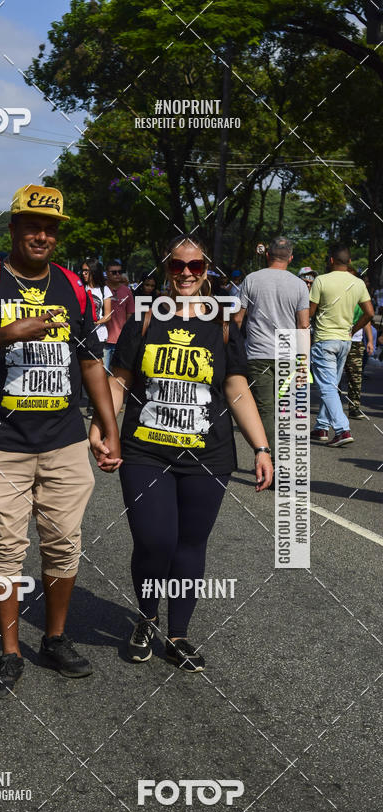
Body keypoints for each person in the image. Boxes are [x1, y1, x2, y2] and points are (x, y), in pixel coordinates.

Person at [0, 184, 120, 700]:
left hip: (64, 439)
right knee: (5, 549)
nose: (42, 235)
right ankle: (10, 651)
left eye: (51, 228)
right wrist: (6, 334)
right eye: (32, 226)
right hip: (0, 442)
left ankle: (57, 639)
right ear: (14, 228)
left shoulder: (72, 286)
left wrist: (107, 427)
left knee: (64, 543)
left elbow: (90, 361)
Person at [89, 235, 273, 671]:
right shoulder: (146, 316)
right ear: (166, 268)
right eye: (177, 266)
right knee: (155, 540)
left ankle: (179, 634)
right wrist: (101, 426)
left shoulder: (224, 322)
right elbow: (119, 381)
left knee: (191, 544)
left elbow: (236, 389)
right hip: (145, 450)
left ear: (207, 269)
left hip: (208, 455)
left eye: (195, 266)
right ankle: (148, 617)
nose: (186, 273)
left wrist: (261, 447)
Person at [233, 236, 310, 467]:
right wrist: (303, 363)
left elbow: (238, 319)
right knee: (284, 409)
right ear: (291, 257)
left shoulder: (251, 280)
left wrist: (232, 350)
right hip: (288, 354)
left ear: (268, 254)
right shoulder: (299, 284)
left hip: (258, 354)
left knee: (266, 409)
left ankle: (273, 461)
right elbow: (303, 325)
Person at [309, 244, 374, 446]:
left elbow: (309, 313)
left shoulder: (321, 280)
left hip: (324, 340)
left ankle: (342, 430)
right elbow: (370, 313)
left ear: (330, 261)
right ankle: (321, 427)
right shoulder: (358, 283)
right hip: (345, 341)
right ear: (350, 262)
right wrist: (354, 330)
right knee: (332, 385)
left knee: (327, 387)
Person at [81, 257, 112, 415]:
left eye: (87, 271)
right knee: (79, 370)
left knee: (98, 371)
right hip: (81, 336)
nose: (84, 273)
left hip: (98, 336)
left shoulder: (103, 290)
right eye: (83, 270)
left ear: (94, 272)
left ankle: (95, 406)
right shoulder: (80, 287)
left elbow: (108, 315)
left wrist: (95, 322)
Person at [344, 302, 374, 419]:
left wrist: (370, 340)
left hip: (356, 342)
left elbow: (366, 318)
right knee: (334, 376)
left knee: (355, 377)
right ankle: (332, 408)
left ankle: (354, 408)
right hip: (338, 339)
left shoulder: (359, 294)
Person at [104, 259, 135, 374]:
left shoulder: (127, 291)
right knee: (102, 374)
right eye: (113, 272)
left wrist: (127, 336)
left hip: (121, 341)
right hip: (103, 341)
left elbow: (130, 314)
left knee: (116, 375)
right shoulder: (101, 289)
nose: (117, 274)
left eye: (119, 272)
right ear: (107, 273)